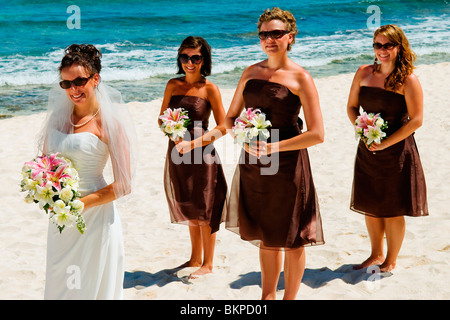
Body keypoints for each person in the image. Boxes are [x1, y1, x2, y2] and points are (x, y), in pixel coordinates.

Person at [225, 8, 324, 300]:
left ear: (290, 37)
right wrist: (241, 138)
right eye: (264, 34)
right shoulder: (250, 72)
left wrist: (273, 147)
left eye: (276, 33)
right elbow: (230, 117)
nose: (269, 39)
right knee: (268, 234)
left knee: (292, 237)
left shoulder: (301, 77)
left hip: (288, 167)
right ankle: (267, 297)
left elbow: (318, 134)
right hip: (254, 166)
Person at [38, 44, 136, 299]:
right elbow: (45, 164)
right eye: (66, 84)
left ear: (95, 79)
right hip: (59, 217)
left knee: (91, 285)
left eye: (80, 81)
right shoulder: (58, 119)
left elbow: (123, 185)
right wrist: (44, 190)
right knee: (60, 280)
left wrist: (78, 205)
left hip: (94, 217)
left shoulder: (109, 123)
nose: (73, 89)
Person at [347, 24, 428, 272]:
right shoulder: (363, 73)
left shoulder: (407, 80)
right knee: (370, 204)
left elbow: (416, 120)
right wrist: (362, 129)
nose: (382, 50)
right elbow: (351, 107)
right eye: (377, 45)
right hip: (367, 150)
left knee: (393, 208)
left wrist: (384, 143)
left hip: (397, 152)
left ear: (398, 47)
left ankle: (390, 259)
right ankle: (374, 254)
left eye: (388, 45)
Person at [159, 36, 228, 278]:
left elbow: (224, 126)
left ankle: (208, 263)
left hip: (203, 153)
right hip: (177, 151)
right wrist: (173, 134)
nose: (190, 62)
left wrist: (195, 143)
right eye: (185, 57)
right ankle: (194, 257)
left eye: (195, 57)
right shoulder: (172, 85)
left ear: (204, 60)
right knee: (189, 202)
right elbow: (161, 119)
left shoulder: (210, 89)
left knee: (205, 206)